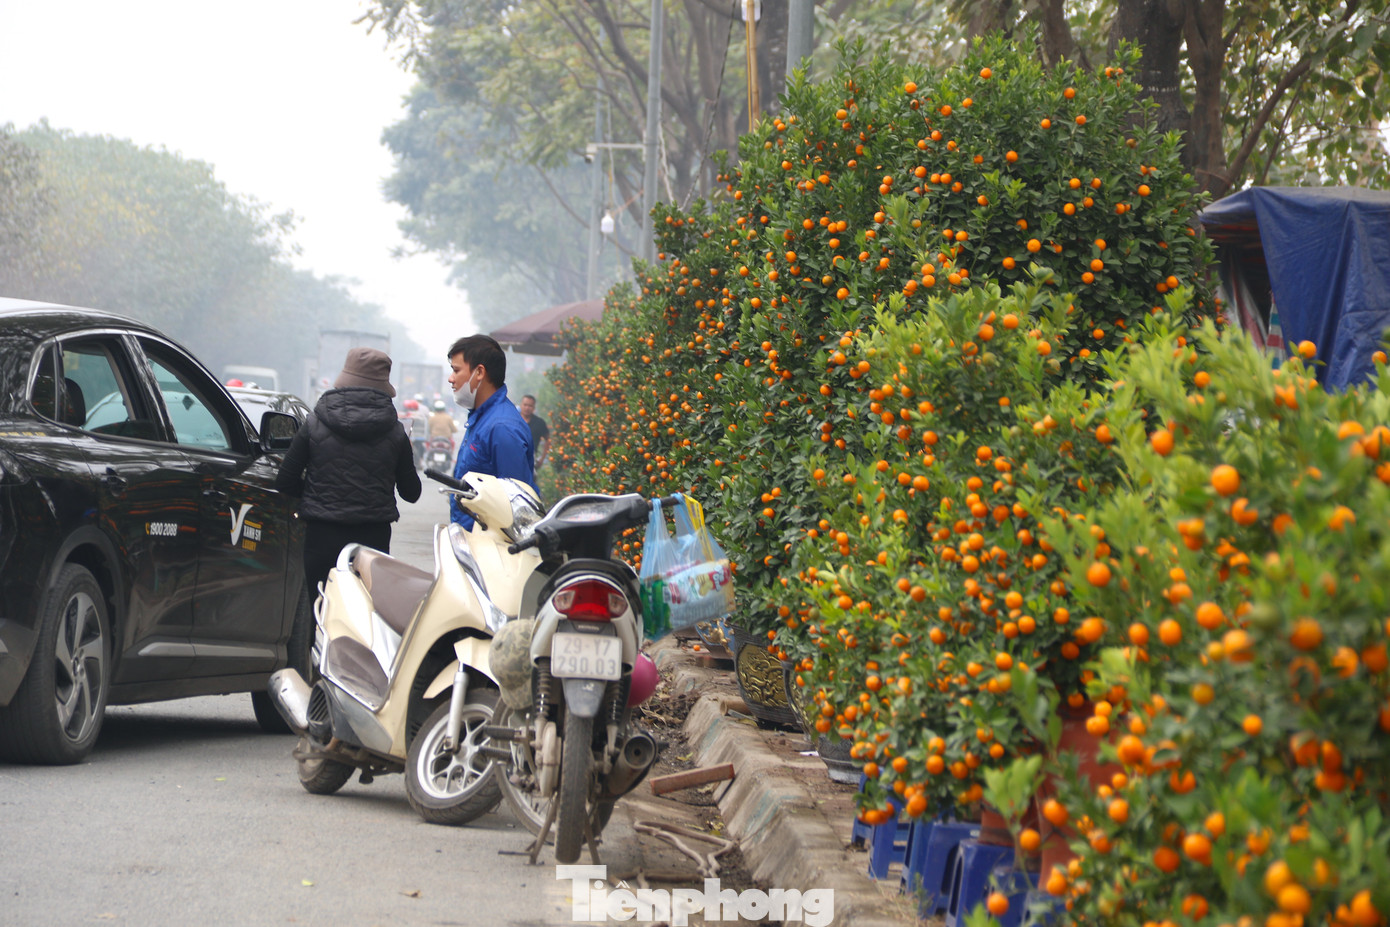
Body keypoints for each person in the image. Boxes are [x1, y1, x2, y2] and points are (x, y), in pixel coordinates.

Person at [275, 347, 422, 598]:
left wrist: (316, 495)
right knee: (365, 612)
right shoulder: (396, 432)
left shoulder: (313, 423)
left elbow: (285, 481)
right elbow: (411, 493)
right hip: (373, 540)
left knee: (321, 609)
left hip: (321, 535)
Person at [446, 334, 535, 529]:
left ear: (479, 372)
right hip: (472, 537)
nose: (451, 379)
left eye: (456, 370)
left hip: (490, 541)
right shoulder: (481, 418)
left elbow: (517, 504)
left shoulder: (502, 428)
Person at [519, 394, 550, 469]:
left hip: (530, 460)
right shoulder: (512, 420)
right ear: (521, 405)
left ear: (534, 408)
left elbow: (548, 440)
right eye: (525, 405)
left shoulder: (539, 423)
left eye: (530, 406)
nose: (527, 408)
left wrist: (542, 459)